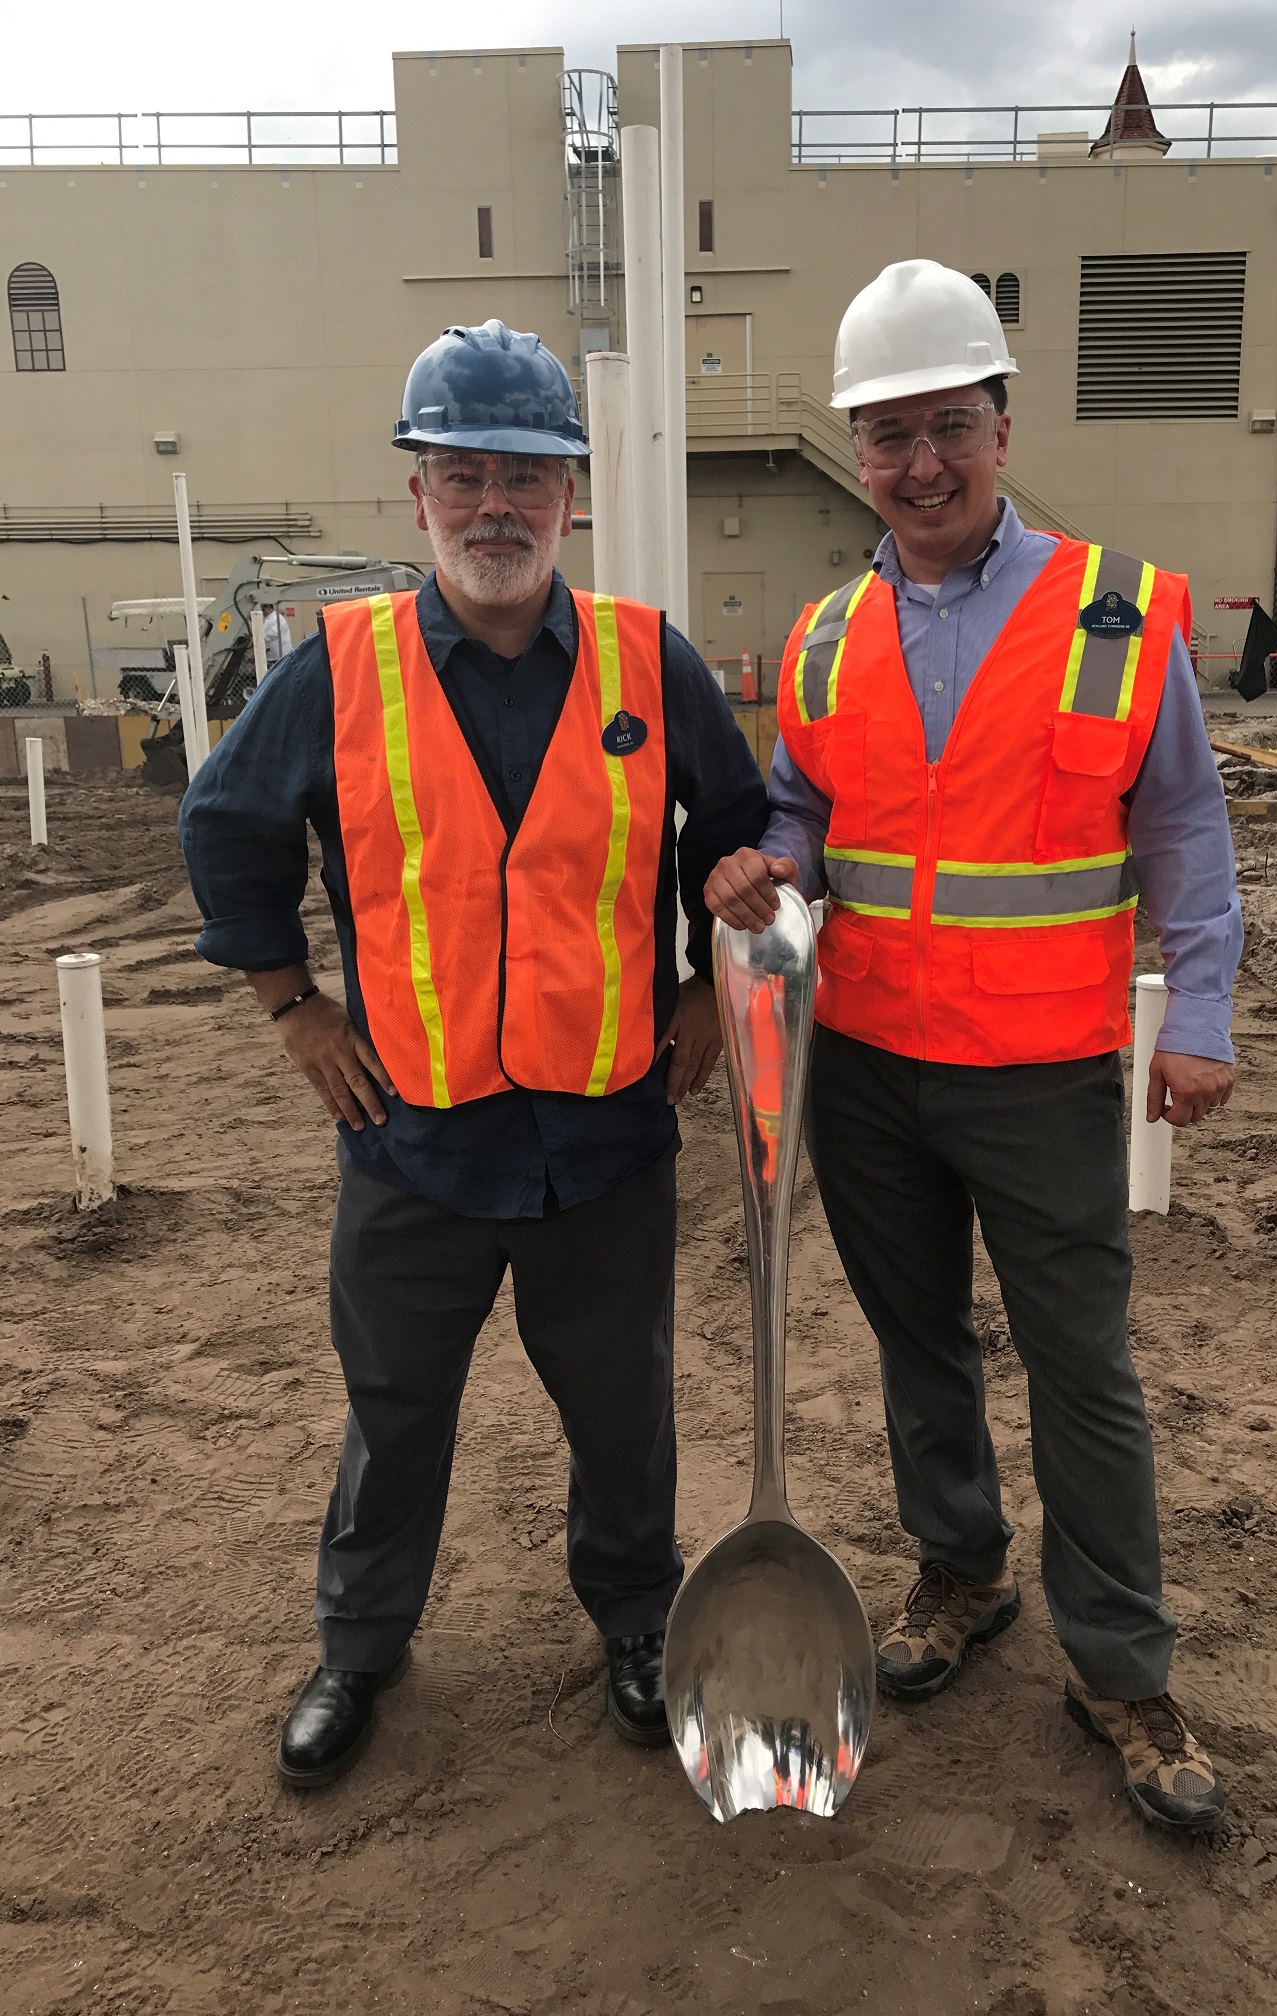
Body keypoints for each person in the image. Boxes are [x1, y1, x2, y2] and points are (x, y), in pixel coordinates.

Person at [180, 320, 768, 1786]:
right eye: (463, 474)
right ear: (418, 493)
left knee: (624, 1411)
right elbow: (224, 826)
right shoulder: (340, 669)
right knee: (395, 1414)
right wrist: (291, 1006)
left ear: (571, 494)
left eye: (526, 476)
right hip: (415, 1147)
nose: (495, 504)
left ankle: (638, 1624)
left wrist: (704, 987)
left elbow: (738, 825)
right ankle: (359, 1647)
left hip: (607, 1142)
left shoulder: (649, 661)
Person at [706, 260, 1241, 1838]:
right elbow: (809, 811)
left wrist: (1198, 1014)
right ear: (859, 450)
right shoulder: (816, 637)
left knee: (1082, 1369)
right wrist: (773, 867)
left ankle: (1122, 1667)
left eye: (951, 426)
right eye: (889, 436)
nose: (921, 464)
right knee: (918, 1344)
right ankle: (963, 1570)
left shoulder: (1118, 612)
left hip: (1045, 1074)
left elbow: (1187, 829)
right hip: (865, 1069)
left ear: (1001, 425)